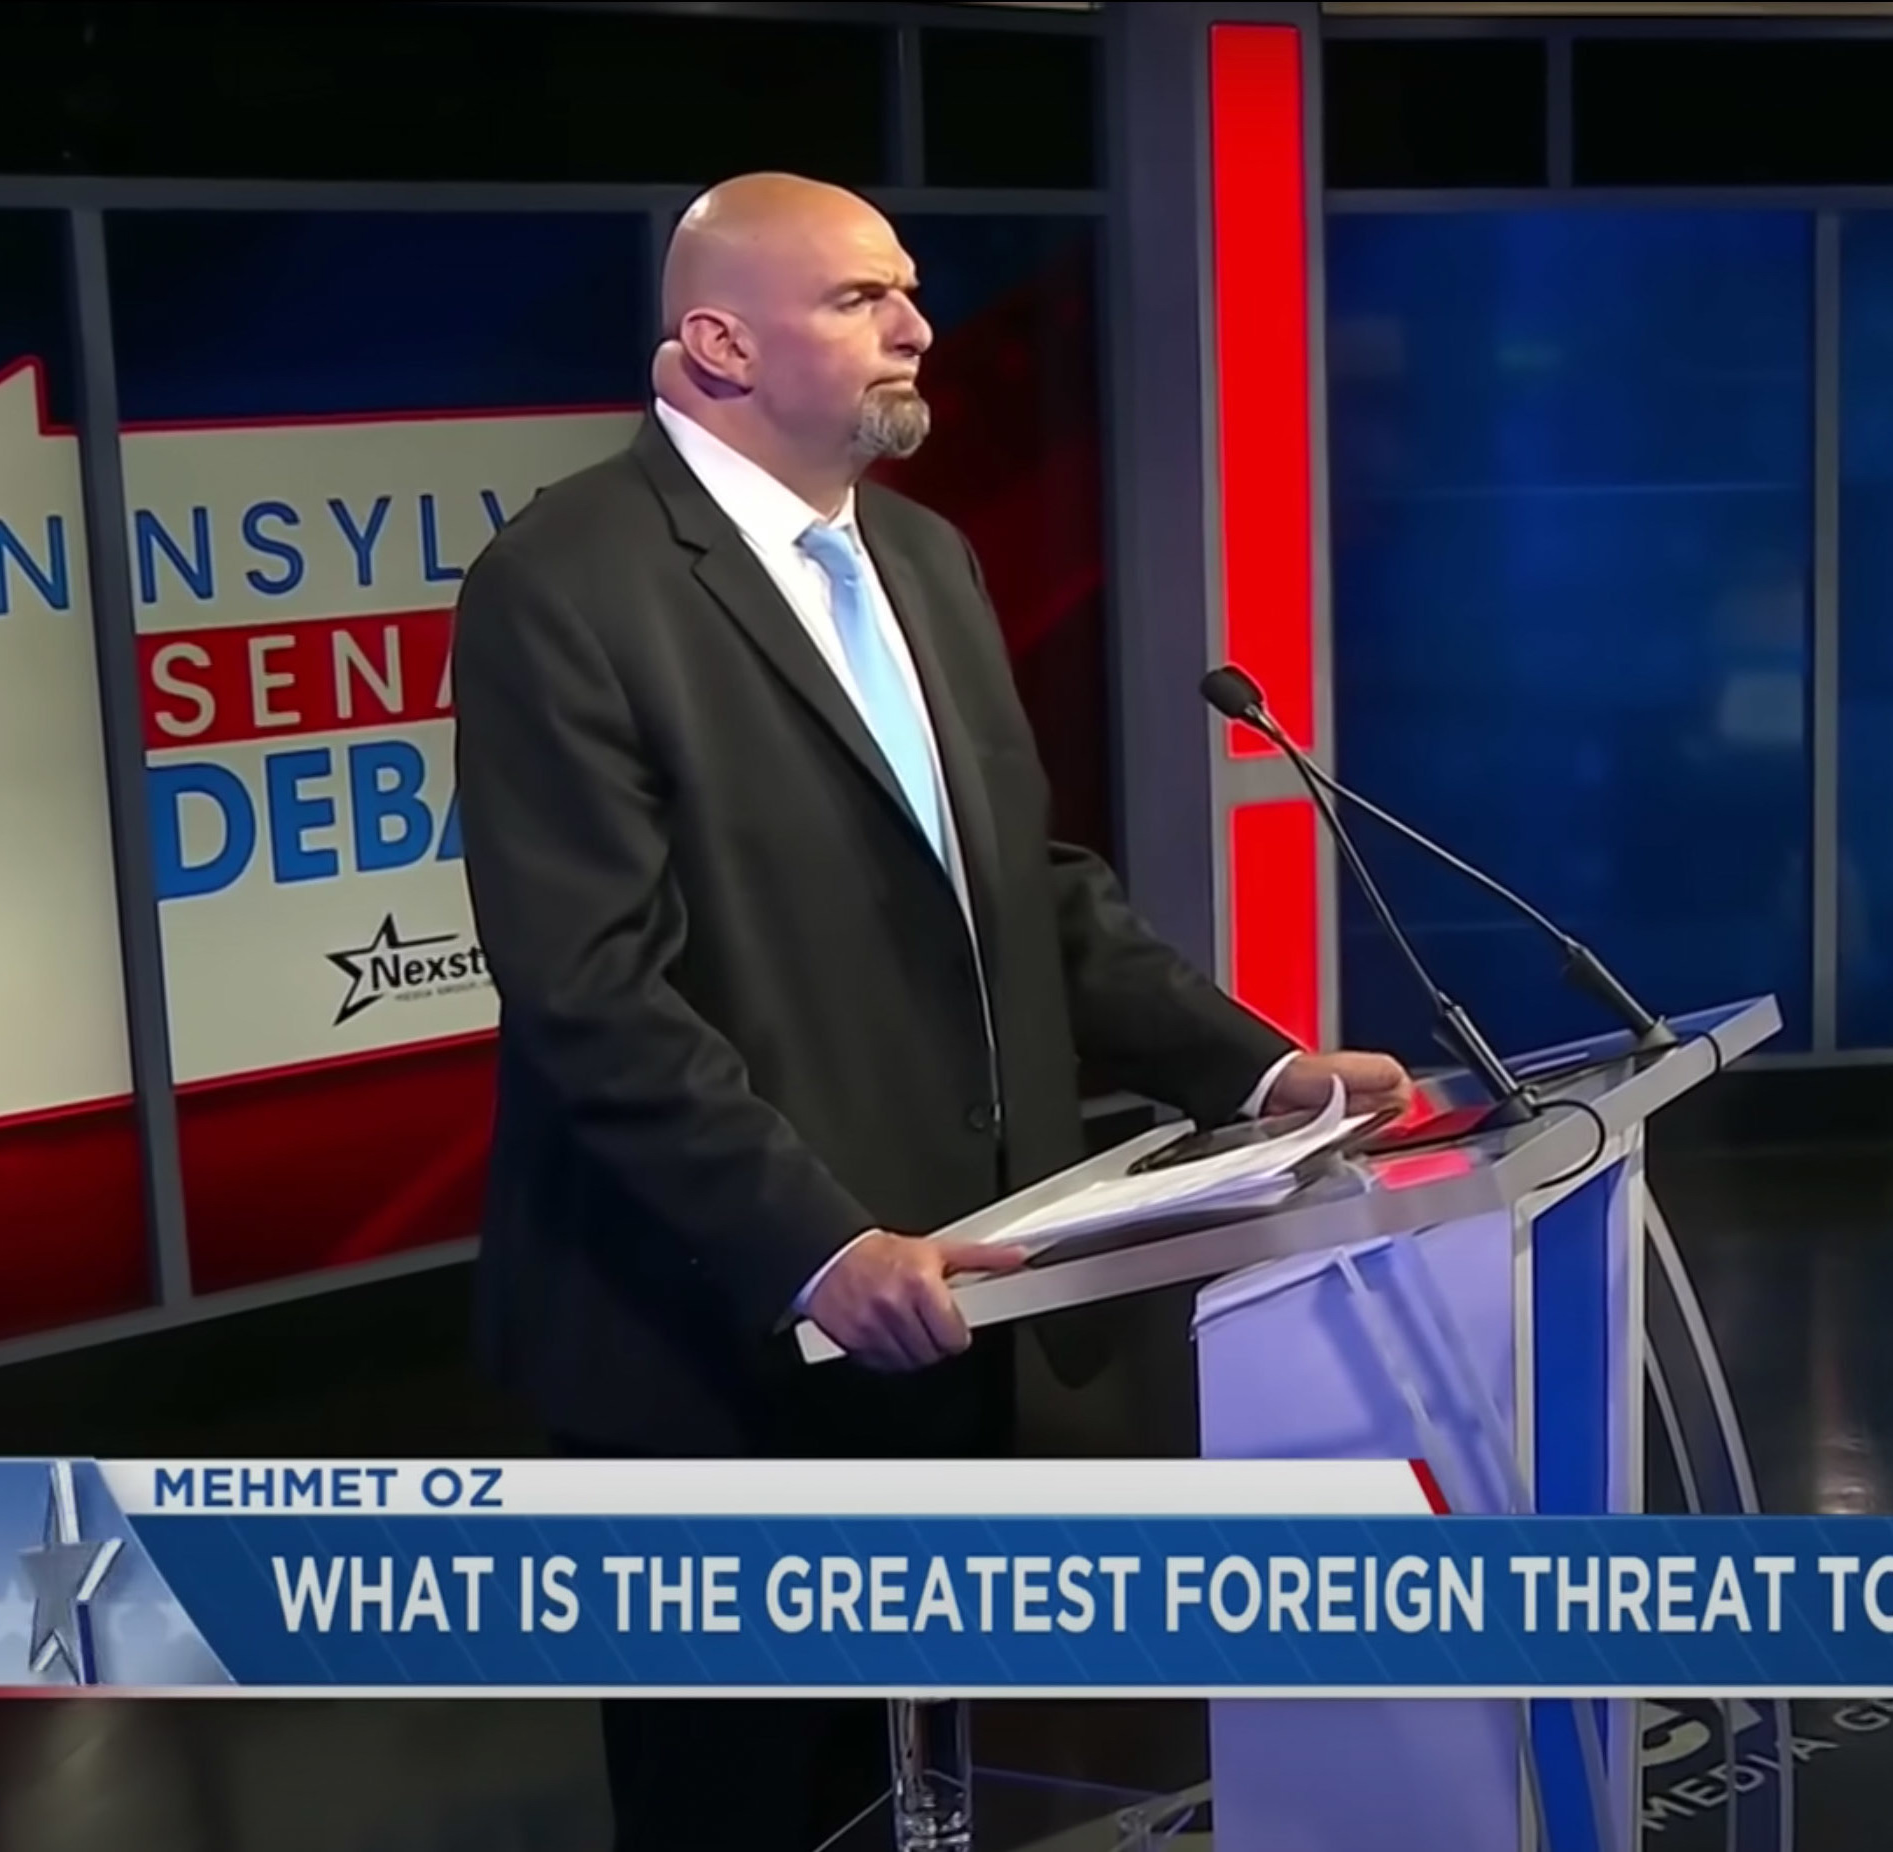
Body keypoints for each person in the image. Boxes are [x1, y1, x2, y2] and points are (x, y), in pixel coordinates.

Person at [451, 172, 1412, 1851]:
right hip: (723, 1341)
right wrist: (816, 1243)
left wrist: (1258, 1070)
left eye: (906, 289)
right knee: (748, 1808)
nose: (917, 325)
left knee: (930, 1790)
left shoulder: (923, 558)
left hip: (965, 1301)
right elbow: (590, 990)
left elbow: (1024, 888)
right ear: (720, 343)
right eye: (861, 299)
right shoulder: (565, 580)